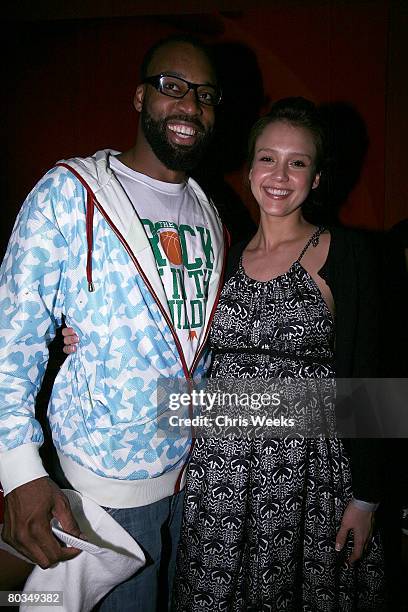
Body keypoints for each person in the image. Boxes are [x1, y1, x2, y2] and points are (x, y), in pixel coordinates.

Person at [0, 35, 226, 611]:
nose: (189, 106)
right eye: (171, 86)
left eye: (204, 95)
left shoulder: (211, 209)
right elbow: (12, 334)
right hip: (103, 486)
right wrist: (20, 470)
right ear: (139, 96)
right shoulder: (70, 193)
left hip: (197, 477)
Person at [169, 98, 385, 611]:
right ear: (249, 170)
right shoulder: (223, 253)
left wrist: (368, 496)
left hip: (307, 480)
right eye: (268, 158)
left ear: (316, 177)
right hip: (220, 479)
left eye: (298, 162)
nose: (280, 175)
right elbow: (173, 333)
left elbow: (376, 381)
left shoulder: (346, 255)